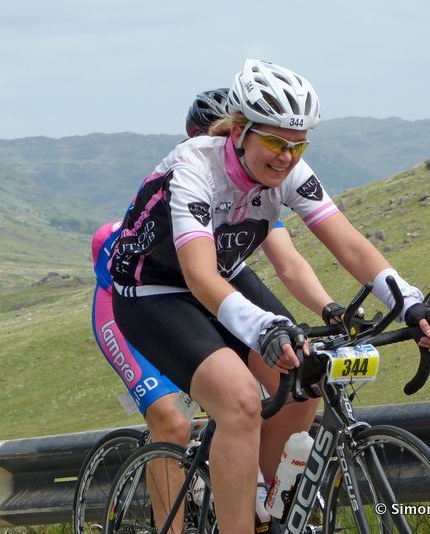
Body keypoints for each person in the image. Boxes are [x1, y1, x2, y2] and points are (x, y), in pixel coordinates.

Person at [109, 59, 430, 532]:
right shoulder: (193, 168)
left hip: (225, 276)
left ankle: (264, 510)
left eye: (298, 144)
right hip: (153, 291)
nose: (286, 157)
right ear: (240, 132)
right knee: (240, 400)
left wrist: (408, 303)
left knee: (304, 379)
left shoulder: (290, 170)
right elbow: (199, 276)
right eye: (274, 142)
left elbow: (350, 245)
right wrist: (265, 328)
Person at [92, 86, 345, 531]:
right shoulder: (188, 182)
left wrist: (330, 309)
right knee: (173, 423)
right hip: (130, 300)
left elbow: (288, 263)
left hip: (207, 291)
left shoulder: (253, 194)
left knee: (270, 389)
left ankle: (256, 499)